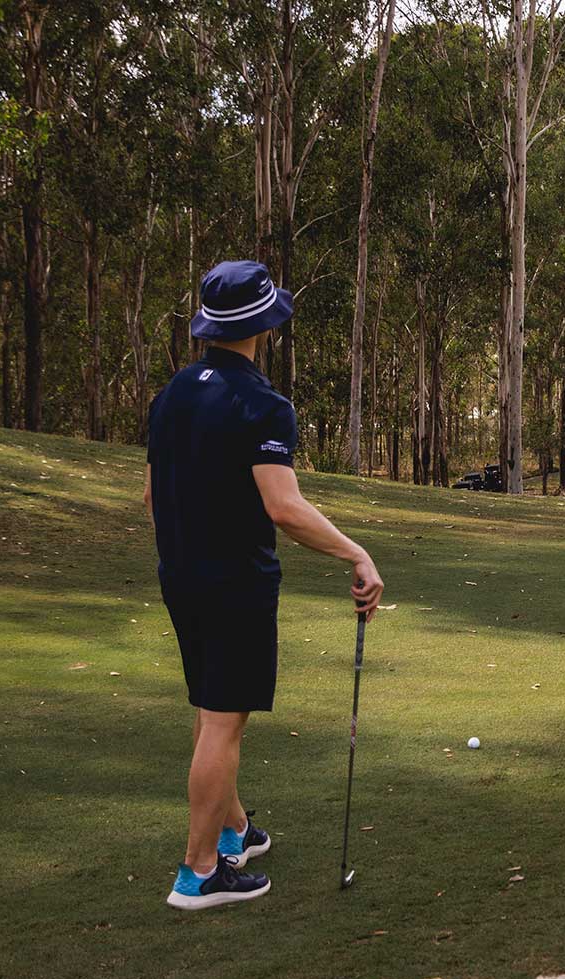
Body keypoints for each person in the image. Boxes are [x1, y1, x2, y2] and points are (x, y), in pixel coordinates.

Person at [148, 260, 384, 911]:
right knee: (223, 723)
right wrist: (355, 552)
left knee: (211, 711)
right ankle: (199, 873)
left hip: (182, 577)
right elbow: (283, 507)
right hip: (235, 584)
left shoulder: (171, 394)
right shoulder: (262, 404)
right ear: (264, 326)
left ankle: (236, 830)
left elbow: (152, 495)